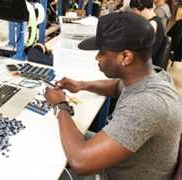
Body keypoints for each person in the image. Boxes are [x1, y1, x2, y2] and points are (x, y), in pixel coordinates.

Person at [44, 12, 182, 180]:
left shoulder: (147, 105)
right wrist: (81, 85)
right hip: (126, 164)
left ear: (125, 57)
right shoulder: (153, 77)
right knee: (53, 139)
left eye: (102, 52)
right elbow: (118, 86)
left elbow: (80, 162)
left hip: (112, 175)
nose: (97, 57)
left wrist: (61, 105)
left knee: (47, 166)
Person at [130, 0, 166, 68]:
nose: (135, 13)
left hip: (147, 63)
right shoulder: (156, 20)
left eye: (135, 10)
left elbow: (143, 48)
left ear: (141, 8)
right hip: (147, 59)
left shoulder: (152, 24)